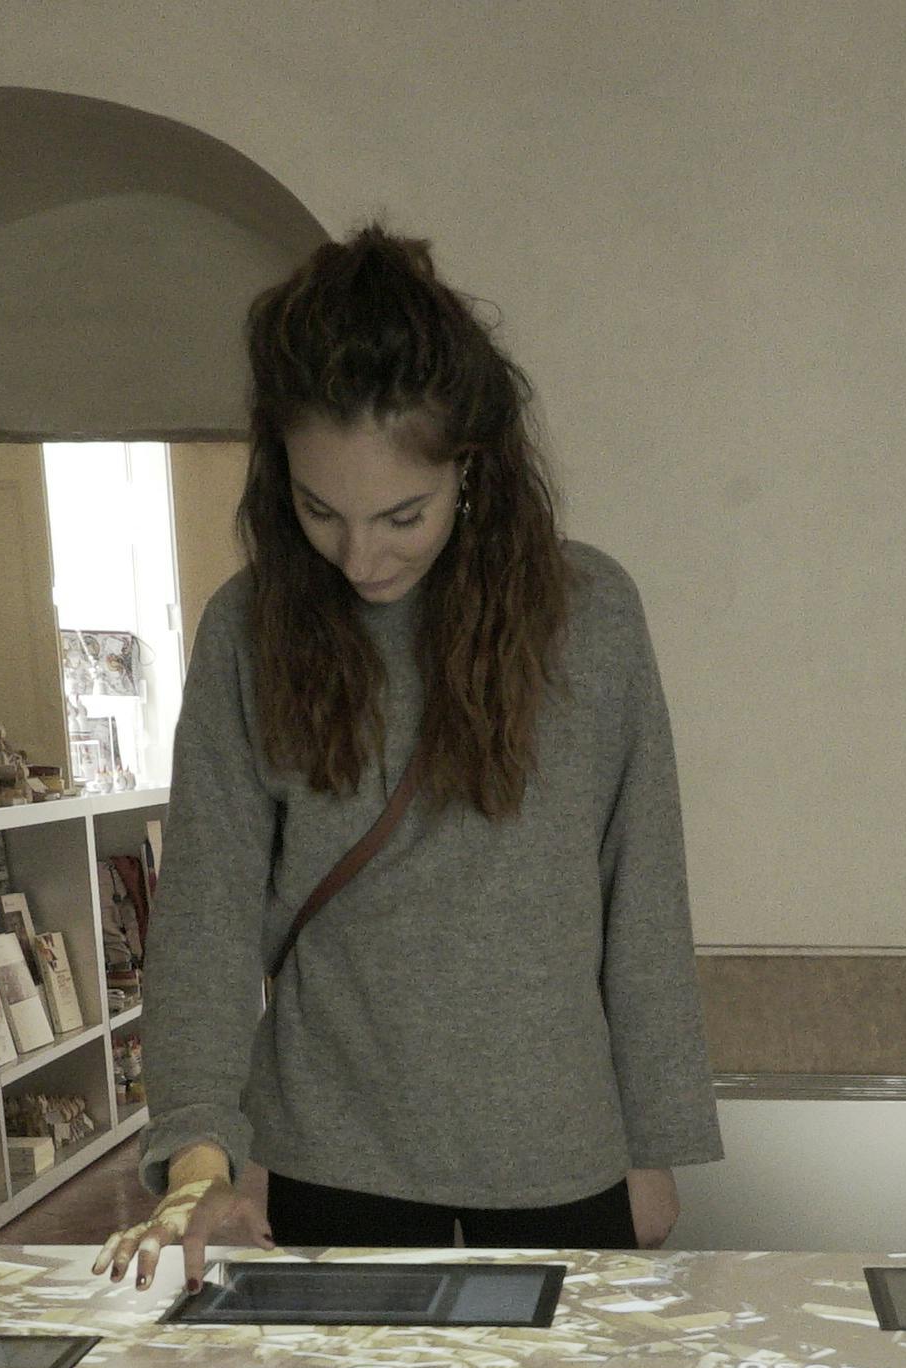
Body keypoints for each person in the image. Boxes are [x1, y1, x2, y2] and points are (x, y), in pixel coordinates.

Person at [98, 225, 720, 1288]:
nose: (359, 556)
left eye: (402, 515)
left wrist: (654, 1144)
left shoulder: (590, 616)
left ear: (469, 467)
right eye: (319, 511)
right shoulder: (250, 629)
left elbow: (641, 888)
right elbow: (205, 911)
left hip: (560, 1153)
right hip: (327, 1159)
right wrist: (200, 1155)